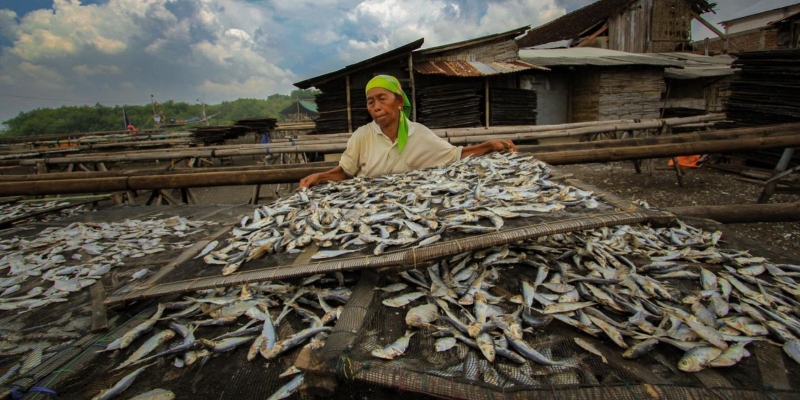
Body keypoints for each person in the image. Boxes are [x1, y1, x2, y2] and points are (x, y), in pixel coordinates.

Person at [299, 75, 517, 188]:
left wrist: (489, 146)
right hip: (366, 202)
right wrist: (320, 176)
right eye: (370, 102)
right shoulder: (362, 136)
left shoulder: (420, 134)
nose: (375, 107)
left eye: (382, 99)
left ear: (399, 101)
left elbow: (455, 156)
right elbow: (345, 172)